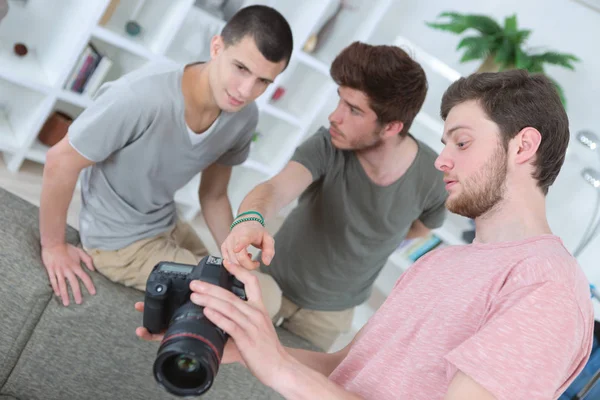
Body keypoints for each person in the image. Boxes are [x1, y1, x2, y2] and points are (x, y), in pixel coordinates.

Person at [137, 69, 594, 399]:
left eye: (462, 141)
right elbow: (346, 371)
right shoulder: (441, 262)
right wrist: (243, 346)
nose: (441, 160)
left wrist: (279, 368)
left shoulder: (546, 289)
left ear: (524, 146)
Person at [38, 5, 293, 306]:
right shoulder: (141, 97)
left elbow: (213, 195)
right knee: (261, 298)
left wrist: (235, 250)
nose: (246, 90)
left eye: (263, 81)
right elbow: (60, 161)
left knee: (252, 285)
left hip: (167, 223)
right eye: (241, 68)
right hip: (118, 243)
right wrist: (53, 246)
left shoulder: (243, 117)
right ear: (216, 47)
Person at [220, 41, 448, 350]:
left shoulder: (433, 178)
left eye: (353, 110)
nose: (334, 117)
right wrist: (249, 219)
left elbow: (420, 229)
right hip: (272, 281)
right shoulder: (328, 144)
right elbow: (276, 189)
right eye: (340, 101)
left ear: (391, 127)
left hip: (331, 315)